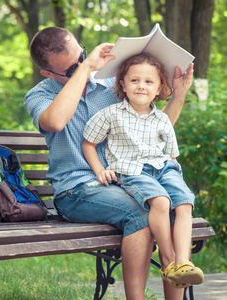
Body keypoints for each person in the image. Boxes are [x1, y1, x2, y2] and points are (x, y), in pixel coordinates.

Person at [24, 26, 194, 300]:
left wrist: (179, 96)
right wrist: (84, 69)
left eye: (82, 57)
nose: (84, 66)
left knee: (170, 208)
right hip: (78, 189)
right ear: (48, 73)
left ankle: (175, 277)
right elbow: (55, 122)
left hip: (125, 179)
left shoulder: (109, 86)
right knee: (139, 214)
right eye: (71, 69)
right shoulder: (39, 95)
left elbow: (150, 132)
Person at [82, 53, 204, 289]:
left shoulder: (162, 119)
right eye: (134, 80)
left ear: (159, 88)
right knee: (160, 202)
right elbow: (89, 143)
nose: (141, 86)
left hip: (165, 168)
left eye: (149, 82)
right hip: (133, 171)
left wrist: (175, 179)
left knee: (184, 203)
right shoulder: (111, 114)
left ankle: (184, 263)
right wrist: (99, 170)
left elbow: (171, 154)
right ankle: (169, 263)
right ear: (123, 85)